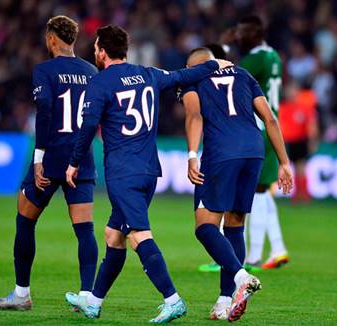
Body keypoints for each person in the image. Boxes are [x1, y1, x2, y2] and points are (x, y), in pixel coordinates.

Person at [65, 25, 232, 323]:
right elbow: (183, 75)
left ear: (102, 51)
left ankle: (173, 299)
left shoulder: (100, 83)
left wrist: (74, 162)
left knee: (139, 235)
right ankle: (93, 300)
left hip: (123, 173)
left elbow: (88, 126)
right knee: (113, 235)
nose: (94, 52)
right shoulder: (148, 74)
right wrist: (212, 64)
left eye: (96, 48)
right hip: (148, 171)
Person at [0, 16, 99, 310]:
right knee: (84, 230)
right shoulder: (92, 71)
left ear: (52, 38)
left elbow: (46, 111)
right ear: (73, 40)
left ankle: (22, 294)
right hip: (81, 160)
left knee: (25, 220)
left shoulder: (44, 70)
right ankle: (88, 297)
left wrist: (38, 158)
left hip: (51, 158)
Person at [182, 47, 293, 321]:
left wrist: (193, 154)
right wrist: (284, 162)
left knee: (205, 226)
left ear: (199, 65)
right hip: (254, 151)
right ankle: (224, 301)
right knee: (234, 225)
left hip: (222, 152)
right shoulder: (243, 75)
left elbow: (194, 116)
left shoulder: (195, 79)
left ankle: (241, 276)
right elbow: (270, 119)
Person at [235, 15, 290, 271]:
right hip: (273, 123)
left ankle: (254, 255)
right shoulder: (274, 56)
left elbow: (231, 76)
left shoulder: (253, 59)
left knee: (254, 190)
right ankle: (277, 248)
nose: (238, 36)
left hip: (259, 124)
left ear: (255, 32)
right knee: (263, 191)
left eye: (242, 31)